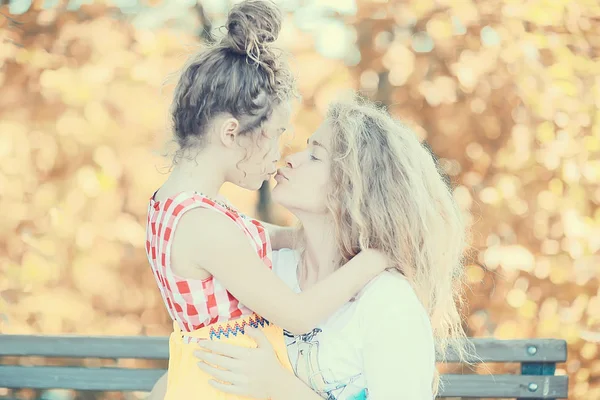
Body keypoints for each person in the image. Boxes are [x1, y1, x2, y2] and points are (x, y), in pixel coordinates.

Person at [145, 1, 390, 399]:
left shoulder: (181, 206)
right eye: (275, 133)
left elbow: (252, 234)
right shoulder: (203, 226)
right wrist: (374, 259)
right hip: (227, 387)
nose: (280, 151)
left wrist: (298, 238)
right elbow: (297, 315)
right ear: (231, 133)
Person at [193, 95, 470, 399]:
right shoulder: (266, 267)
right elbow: (200, 356)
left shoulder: (388, 302)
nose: (290, 159)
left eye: (315, 156)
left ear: (351, 189)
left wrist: (281, 389)